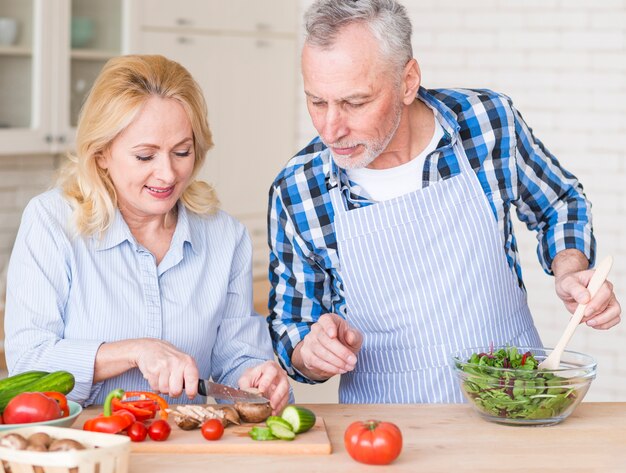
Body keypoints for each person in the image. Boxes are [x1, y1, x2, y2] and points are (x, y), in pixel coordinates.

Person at [267, 0, 621, 403]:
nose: (331, 128)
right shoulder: (298, 188)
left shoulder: (486, 122)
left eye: (355, 102)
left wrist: (570, 270)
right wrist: (311, 352)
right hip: (387, 424)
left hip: (514, 400)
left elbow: (559, 201)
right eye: (317, 101)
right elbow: (292, 328)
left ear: (407, 81)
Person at [5, 54, 290, 413]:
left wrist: (256, 377)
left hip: (186, 451)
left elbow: (235, 357)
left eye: (182, 152)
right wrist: (133, 351)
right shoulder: (52, 222)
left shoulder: (224, 236)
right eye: (145, 156)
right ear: (102, 153)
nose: (168, 174)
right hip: (89, 450)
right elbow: (27, 365)